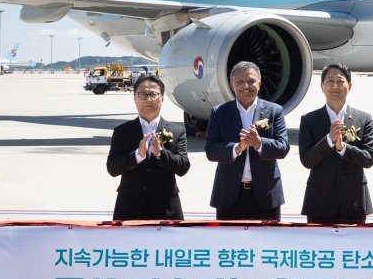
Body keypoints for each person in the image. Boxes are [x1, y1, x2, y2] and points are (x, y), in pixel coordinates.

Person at [205, 61, 290, 220]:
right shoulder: (220, 112)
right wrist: (237, 148)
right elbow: (211, 150)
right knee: (229, 244)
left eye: (251, 81)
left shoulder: (274, 111)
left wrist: (259, 143)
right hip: (229, 195)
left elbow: (283, 147)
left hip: (266, 195)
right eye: (240, 82)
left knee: (267, 243)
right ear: (232, 85)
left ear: (259, 83)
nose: (246, 86)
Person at [298, 63, 373, 224]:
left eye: (340, 81)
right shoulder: (309, 120)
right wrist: (328, 141)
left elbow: (368, 159)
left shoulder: (363, 118)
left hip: (354, 202)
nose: (335, 86)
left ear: (350, 86)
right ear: (322, 86)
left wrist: (343, 148)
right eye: (330, 81)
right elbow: (306, 160)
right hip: (319, 203)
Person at [105, 74, 190, 220]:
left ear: (162, 98)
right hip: (129, 209)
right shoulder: (122, 131)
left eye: (153, 94)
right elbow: (112, 168)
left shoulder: (176, 131)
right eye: (143, 94)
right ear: (134, 98)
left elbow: (183, 168)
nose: (148, 99)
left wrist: (160, 154)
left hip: (166, 210)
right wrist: (138, 155)